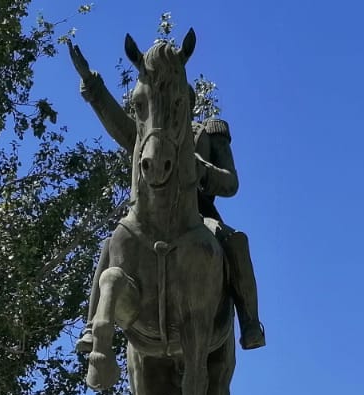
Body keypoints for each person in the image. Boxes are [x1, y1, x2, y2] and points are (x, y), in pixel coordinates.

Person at [69, 41, 266, 351]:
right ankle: (94, 325)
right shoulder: (151, 134)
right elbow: (121, 128)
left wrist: (203, 170)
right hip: (150, 215)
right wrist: (93, 85)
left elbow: (230, 185)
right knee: (113, 243)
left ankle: (250, 322)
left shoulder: (210, 133)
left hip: (197, 217)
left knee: (236, 241)